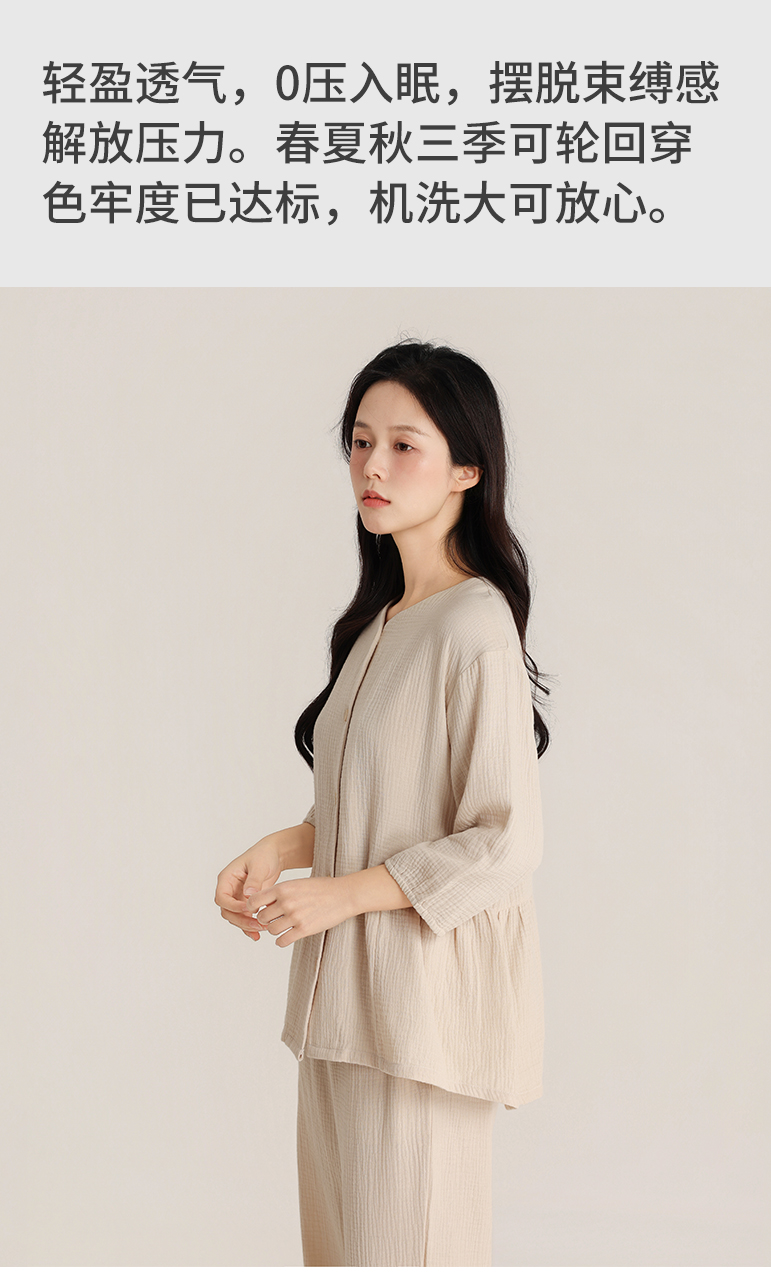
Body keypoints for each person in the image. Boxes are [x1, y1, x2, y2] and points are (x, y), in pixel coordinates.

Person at [214, 340, 549, 1267]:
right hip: (340, 1015)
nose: (372, 465)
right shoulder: (381, 625)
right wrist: (285, 846)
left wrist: (341, 893)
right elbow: (388, 805)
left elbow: (505, 840)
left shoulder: (475, 623)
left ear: (467, 469)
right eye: (361, 441)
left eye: (405, 445)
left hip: (419, 1020)